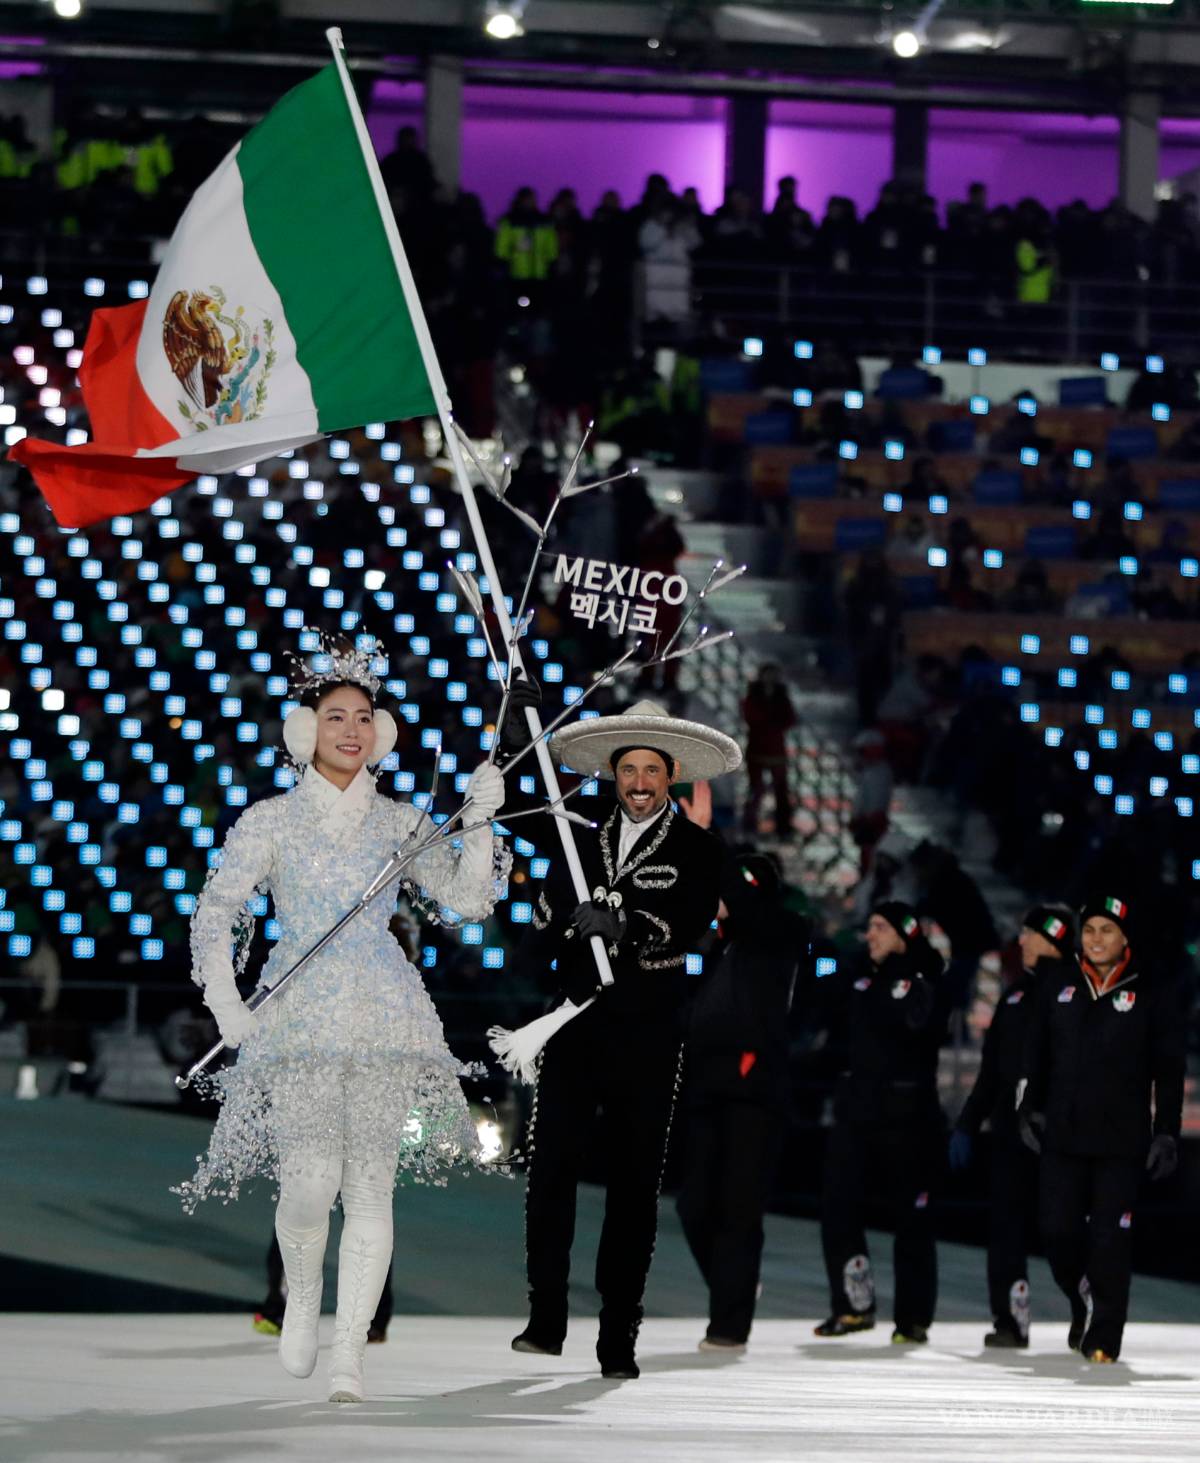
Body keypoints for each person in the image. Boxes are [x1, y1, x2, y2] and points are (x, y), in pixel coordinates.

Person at [177, 638, 510, 1403]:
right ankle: (299, 1295)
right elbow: (217, 911)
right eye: (336, 716)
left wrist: (481, 820)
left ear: (380, 731)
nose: (352, 729)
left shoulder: (399, 820)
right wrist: (227, 1002)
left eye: (364, 716)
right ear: (308, 729)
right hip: (300, 1012)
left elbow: (465, 899)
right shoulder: (270, 819)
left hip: (384, 1011)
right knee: (308, 1181)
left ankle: (350, 1355)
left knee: (369, 1188)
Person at [501, 687, 740, 1379]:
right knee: (550, 1172)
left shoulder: (699, 848)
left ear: (671, 776)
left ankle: (617, 1336)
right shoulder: (576, 828)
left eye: (651, 772)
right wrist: (516, 727)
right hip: (573, 1023)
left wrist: (627, 923)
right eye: (628, 771)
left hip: (650, 1034)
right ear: (614, 772)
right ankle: (546, 1318)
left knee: (635, 1186)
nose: (638, 784)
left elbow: (692, 919)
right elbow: (516, 798)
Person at [1018, 894, 1185, 1363]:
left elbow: (1168, 1070)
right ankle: (1083, 1295)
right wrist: (1026, 1108)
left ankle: (1104, 1338)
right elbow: (1035, 1054)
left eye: (1106, 930)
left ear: (1125, 937)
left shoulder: (1151, 991)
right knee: (1055, 1232)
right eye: (1089, 930)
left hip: (1121, 1141)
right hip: (1063, 1137)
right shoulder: (1060, 985)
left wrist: (1166, 1132)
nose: (1095, 939)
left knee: (1110, 1239)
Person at [676, 845, 809, 1351]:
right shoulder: (722, 947)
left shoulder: (784, 933)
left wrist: (720, 860)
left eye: (725, 890)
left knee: (738, 1212)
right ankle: (735, 1287)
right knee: (693, 1207)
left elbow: (763, 915)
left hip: (755, 1094)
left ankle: (729, 1325)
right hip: (710, 1090)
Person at [814, 902, 946, 1345]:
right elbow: (828, 1003)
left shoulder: (923, 978)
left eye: (880, 927)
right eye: (869, 926)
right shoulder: (859, 976)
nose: (870, 934)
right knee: (837, 1206)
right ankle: (853, 1305)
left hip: (908, 1119)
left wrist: (887, 981)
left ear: (904, 935)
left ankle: (912, 1319)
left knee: (912, 1219)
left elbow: (914, 1024)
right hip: (857, 1112)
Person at [949, 905, 1074, 1349]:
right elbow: (990, 1072)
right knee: (1004, 1228)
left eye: (1029, 933)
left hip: (1057, 1134)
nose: (1020, 941)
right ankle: (1009, 1318)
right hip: (1007, 1132)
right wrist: (966, 1123)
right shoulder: (1016, 996)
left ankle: (1086, 1308)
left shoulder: (1074, 993)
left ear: (1052, 937)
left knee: (1061, 1229)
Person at [741, 664, 797, 840]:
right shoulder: (753, 695)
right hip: (757, 747)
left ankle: (783, 826)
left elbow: (790, 719)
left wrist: (773, 722)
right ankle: (750, 823)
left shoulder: (782, 697)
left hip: (776, 748)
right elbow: (750, 716)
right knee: (755, 788)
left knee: (781, 789)